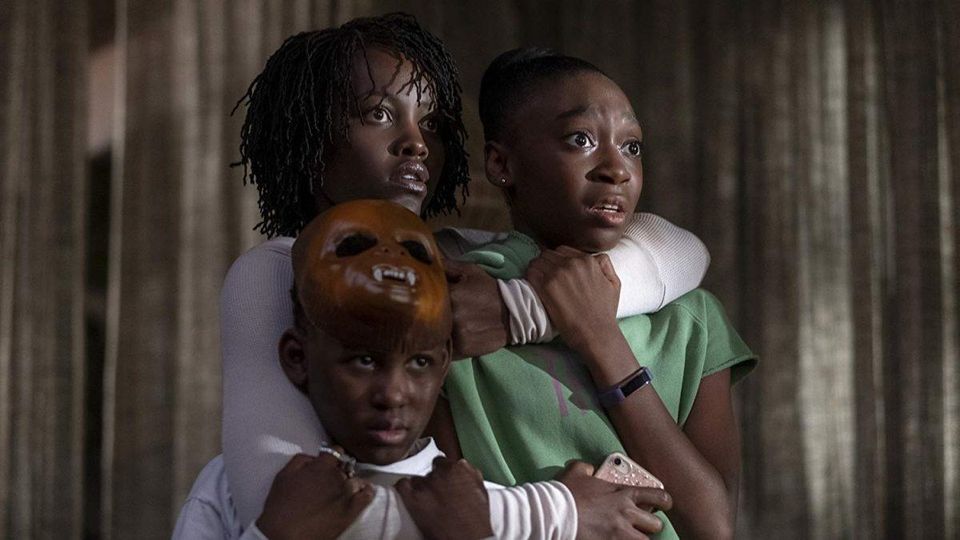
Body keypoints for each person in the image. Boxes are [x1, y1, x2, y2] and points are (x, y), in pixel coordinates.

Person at [222, 12, 712, 526]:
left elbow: (683, 252)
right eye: (379, 113)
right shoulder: (273, 270)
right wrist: (561, 512)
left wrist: (517, 309)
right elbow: (289, 511)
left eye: (432, 124)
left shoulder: (456, 257)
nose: (416, 142)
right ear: (308, 135)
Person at [174, 200, 673, 539]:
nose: (393, 394)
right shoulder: (233, 489)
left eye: (419, 363)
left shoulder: (477, 495)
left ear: (446, 363)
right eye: (364, 360)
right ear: (297, 358)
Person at [429, 48, 758, 540]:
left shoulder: (692, 318)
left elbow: (713, 525)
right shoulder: (459, 300)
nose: (616, 169)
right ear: (500, 163)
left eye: (632, 146)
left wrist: (602, 339)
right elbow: (440, 511)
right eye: (580, 139)